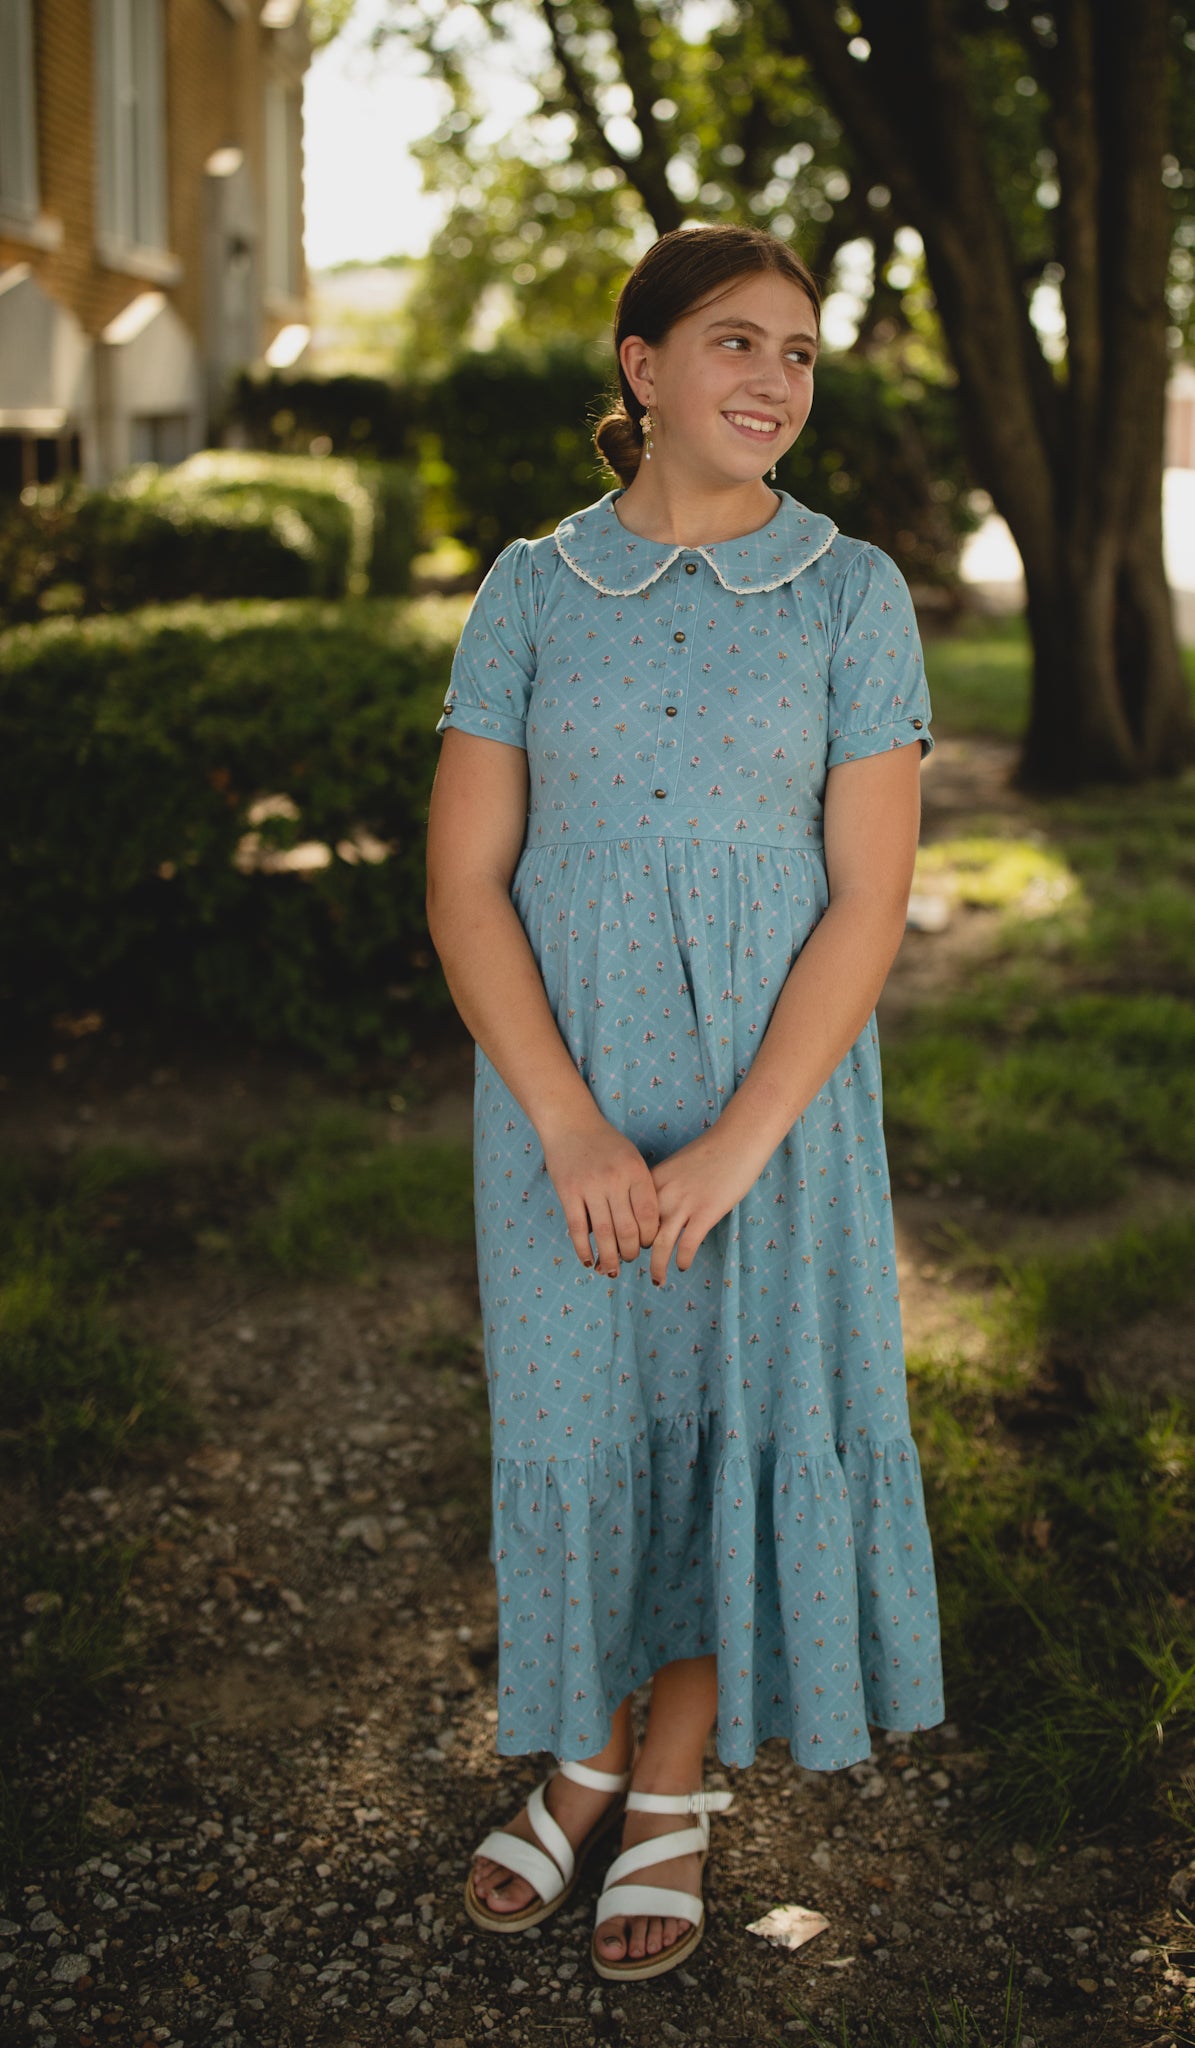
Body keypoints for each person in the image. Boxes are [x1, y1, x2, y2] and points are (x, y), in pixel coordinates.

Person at [424, 222, 945, 1984]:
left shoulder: (850, 592)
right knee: (589, 1414)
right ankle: (578, 1736)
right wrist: (572, 1121)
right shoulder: (528, 590)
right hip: (565, 1089)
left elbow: (868, 898)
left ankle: (665, 1781)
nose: (774, 381)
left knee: (732, 1414)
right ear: (641, 367)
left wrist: (734, 1143)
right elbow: (465, 885)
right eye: (736, 343)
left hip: (769, 1107)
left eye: (799, 353)